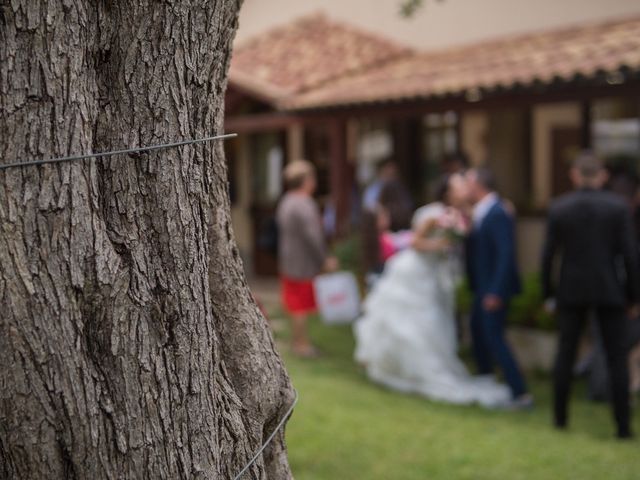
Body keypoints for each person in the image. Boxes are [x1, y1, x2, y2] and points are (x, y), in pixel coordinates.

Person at [354, 174, 511, 408]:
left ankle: (428, 368)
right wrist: (441, 245)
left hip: (436, 279)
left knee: (434, 325)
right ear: (448, 192)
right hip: (416, 274)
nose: (464, 189)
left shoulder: (463, 214)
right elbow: (416, 242)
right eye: (459, 186)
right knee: (412, 325)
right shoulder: (434, 213)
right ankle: (410, 369)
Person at [542, 152, 639, 439]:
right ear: (602, 176)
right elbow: (630, 256)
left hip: (570, 290)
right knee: (616, 357)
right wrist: (634, 296)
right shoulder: (617, 207)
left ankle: (560, 419)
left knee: (565, 352)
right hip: (609, 288)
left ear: (574, 175)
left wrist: (549, 295)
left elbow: (548, 256)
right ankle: (622, 427)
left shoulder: (560, 207)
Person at [465, 168, 531, 409]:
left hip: (493, 288)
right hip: (482, 286)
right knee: (479, 333)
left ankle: (520, 393)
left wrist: (495, 291)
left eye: (468, 183)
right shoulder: (482, 211)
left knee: (494, 338)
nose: (465, 188)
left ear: (479, 186)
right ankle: (486, 380)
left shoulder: (498, 212)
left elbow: (506, 254)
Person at [276, 160, 337, 357]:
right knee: (301, 305)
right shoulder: (305, 204)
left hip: (288, 258)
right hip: (302, 262)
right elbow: (314, 237)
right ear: (307, 181)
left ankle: (297, 342)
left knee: (294, 304)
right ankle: (302, 345)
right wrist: (324, 259)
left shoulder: (286, 201)